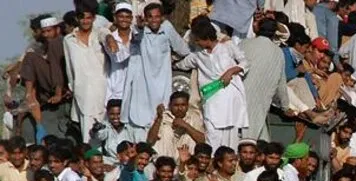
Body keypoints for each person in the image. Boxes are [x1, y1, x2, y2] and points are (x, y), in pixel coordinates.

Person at [175, 17, 248, 152]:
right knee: (212, 134)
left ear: (207, 38)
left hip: (230, 99)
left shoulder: (227, 46)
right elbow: (181, 64)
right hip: (212, 100)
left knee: (231, 136)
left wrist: (230, 71)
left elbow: (244, 63)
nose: (196, 42)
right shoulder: (198, 55)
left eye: (198, 39)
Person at [121, 2, 190, 141]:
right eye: (150, 17)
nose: (154, 20)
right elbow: (136, 37)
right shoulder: (139, 29)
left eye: (157, 17)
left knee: (162, 116)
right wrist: (140, 27)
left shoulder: (167, 28)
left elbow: (183, 50)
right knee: (141, 116)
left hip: (162, 80)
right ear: (145, 18)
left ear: (162, 17)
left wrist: (173, 58)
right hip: (143, 81)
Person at [239, 19, 290, 141]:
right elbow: (281, 84)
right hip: (258, 104)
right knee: (249, 142)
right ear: (274, 34)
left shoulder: (243, 43)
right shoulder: (278, 53)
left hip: (237, 97)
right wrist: (285, 107)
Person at [63, 5, 107, 143]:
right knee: (89, 138)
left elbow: (109, 35)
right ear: (77, 19)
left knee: (107, 134)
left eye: (89, 18)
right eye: (82, 18)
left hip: (104, 91)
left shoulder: (100, 34)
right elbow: (69, 69)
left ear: (94, 18)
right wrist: (74, 88)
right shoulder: (68, 40)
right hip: (83, 94)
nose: (85, 21)